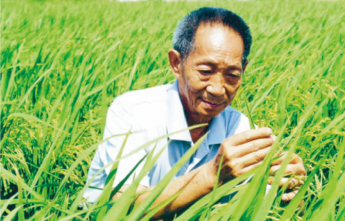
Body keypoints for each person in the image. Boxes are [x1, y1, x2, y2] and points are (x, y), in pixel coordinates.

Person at [83, 7, 306, 219]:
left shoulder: (239, 126)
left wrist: (288, 189)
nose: (218, 89)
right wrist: (212, 175)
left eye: (232, 75)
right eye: (205, 72)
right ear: (176, 63)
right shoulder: (132, 111)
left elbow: (259, 204)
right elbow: (125, 204)